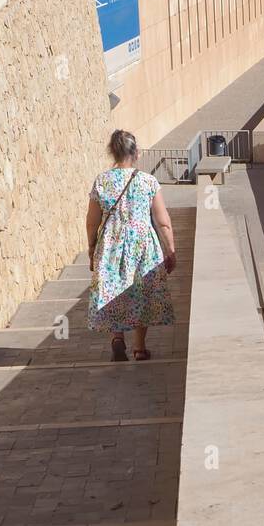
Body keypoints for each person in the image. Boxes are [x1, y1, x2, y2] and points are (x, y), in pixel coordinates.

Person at [86, 130, 176, 361]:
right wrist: (170, 250)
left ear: (112, 152)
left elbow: (92, 220)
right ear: (136, 153)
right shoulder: (148, 181)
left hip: (111, 244)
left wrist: (91, 246)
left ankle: (117, 337)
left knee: (115, 289)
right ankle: (139, 347)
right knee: (140, 292)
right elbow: (163, 221)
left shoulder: (102, 181)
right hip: (142, 244)